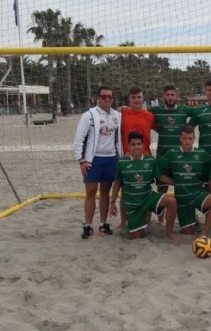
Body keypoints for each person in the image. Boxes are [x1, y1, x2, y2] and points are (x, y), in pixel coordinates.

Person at [73, 85, 122, 239]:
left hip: (111, 159)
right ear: (98, 99)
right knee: (90, 192)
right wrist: (81, 160)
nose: (107, 99)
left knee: (105, 193)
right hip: (93, 160)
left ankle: (103, 223)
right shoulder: (89, 115)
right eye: (104, 96)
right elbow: (79, 139)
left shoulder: (117, 115)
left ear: (113, 99)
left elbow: (118, 138)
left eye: (110, 97)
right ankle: (87, 225)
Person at [109, 132, 178, 240]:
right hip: (133, 205)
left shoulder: (150, 160)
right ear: (128, 146)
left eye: (138, 144)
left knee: (172, 201)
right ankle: (140, 226)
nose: (136, 147)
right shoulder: (121, 162)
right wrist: (112, 202)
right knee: (136, 236)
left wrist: (177, 182)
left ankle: (169, 232)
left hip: (148, 197)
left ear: (143, 145)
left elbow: (160, 177)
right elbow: (117, 183)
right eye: (133, 144)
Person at [157, 125, 211, 236]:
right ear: (180, 138)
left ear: (194, 138)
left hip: (198, 194)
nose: (187, 141)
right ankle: (193, 220)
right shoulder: (171, 154)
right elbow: (157, 172)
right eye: (185, 138)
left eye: (190, 138)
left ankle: (204, 234)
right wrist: (173, 182)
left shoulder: (201, 154)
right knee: (188, 232)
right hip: (182, 199)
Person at [117, 85, 157, 229]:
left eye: (139, 97)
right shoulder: (122, 113)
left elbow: (162, 129)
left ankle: (147, 220)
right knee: (125, 191)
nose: (136, 100)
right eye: (133, 97)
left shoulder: (150, 116)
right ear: (129, 99)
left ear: (143, 98)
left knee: (145, 191)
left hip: (146, 158)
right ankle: (123, 221)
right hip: (127, 158)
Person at [149, 84, 193, 197]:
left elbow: (199, 112)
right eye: (167, 95)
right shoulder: (156, 110)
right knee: (162, 189)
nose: (170, 97)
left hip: (180, 156)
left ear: (176, 96)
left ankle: (182, 212)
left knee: (182, 187)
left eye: (172, 95)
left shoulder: (184, 109)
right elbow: (141, 114)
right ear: (163, 96)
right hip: (162, 155)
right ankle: (161, 215)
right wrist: (125, 108)